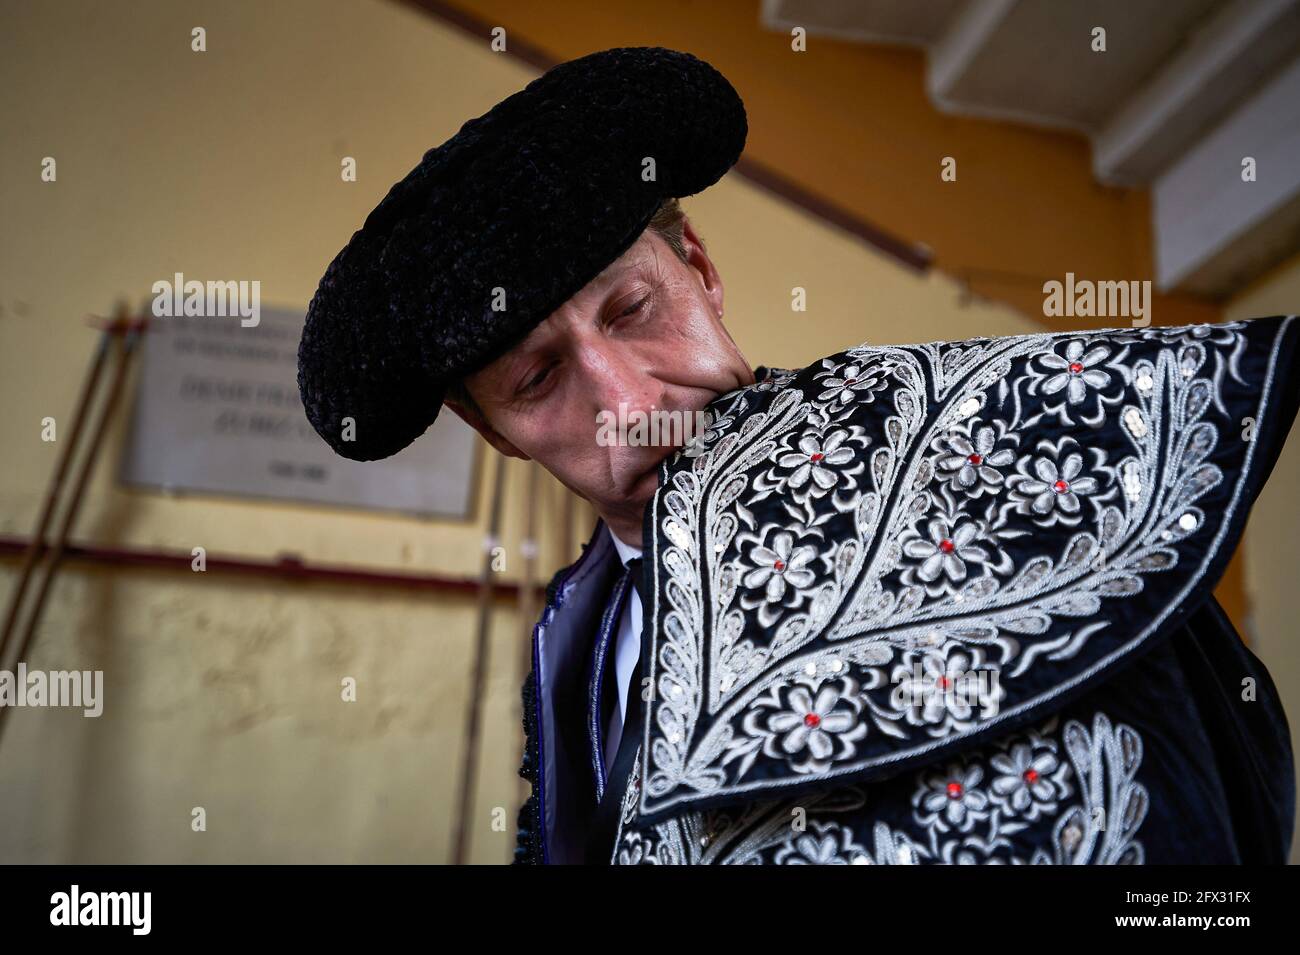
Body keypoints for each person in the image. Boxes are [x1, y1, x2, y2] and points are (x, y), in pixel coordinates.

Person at [297, 47, 1298, 864]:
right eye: (538, 379)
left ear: (699, 269)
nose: (631, 404)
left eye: (634, 309)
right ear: (491, 431)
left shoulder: (974, 455)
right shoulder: (576, 627)